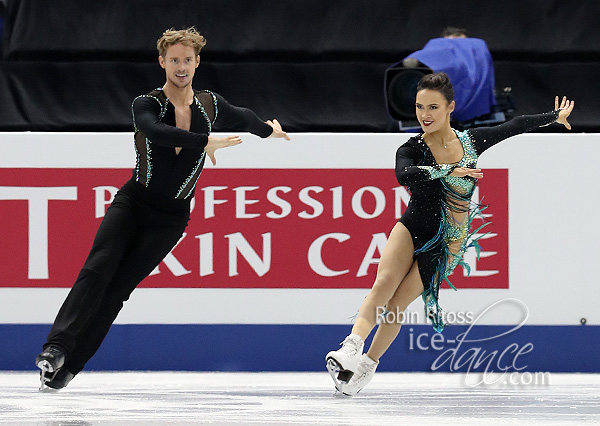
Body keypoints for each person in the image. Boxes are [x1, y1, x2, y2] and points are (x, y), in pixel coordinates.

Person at [35, 27, 290, 390]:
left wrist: (269, 131)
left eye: (187, 59)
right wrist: (205, 141)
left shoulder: (209, 105)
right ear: (162, 62)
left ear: (197, 62)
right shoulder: (147, 103)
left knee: (117, 292)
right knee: (97, 270)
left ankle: (69, 369)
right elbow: (156, 132)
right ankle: (55, 350)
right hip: (134, 203)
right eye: (174, 60)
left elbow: (245, 117)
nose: (181, 66)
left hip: (170, 219)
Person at [326, 72, 574, 396]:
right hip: (412, 226)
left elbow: (514, 126)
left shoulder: (472, 142)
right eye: (419, 107)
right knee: (383, 283)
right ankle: (351, 346)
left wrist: (554, 117)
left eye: (432, 107)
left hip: (448, 241)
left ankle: (366, 368)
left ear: (450, 107)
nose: (424, 115)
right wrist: (448, 170)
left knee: (397, 305)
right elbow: (405, 175)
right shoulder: (411, 148)